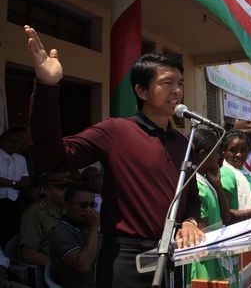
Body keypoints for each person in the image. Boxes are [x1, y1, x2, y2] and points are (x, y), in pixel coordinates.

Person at [23, 25, 204, 286]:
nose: (177, 91)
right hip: (126, 259)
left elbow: (191, 197)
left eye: (180, 84)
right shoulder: (115, 131)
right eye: (167, 83)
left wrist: (189, 222)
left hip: (175, 258)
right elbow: (52, 158)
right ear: (142, 91)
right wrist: (47, 87)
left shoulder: (182, 142)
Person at [187, 129, 235, 286]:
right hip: (203, 258)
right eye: (216, 153)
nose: (219, 157)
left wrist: (217, 184)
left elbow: (226, 217)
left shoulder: (206, 180)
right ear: (202, 154)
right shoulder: (195, 185)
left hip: (215, 253)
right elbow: (202, 229)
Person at [48, 183, 100, 288]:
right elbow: (83, 265)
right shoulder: (60, 232)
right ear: (67, 205)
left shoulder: (85, 226)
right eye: (83, 205)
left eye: (92, 205)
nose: (89, 210)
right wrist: (94, 229)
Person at [19, 172, 72, 267]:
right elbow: (29, 254)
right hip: (55, 267)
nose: (66, 192)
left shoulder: (70, 207)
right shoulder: (34, 213)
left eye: (68, 188)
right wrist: (62, 267)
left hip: (75, 258)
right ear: (46, 190)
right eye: (61, 188)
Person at [0, 129, 30, 248]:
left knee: (12, 232)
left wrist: (7, 182)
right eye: (11, 141)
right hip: (0, 199)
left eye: (17, 141)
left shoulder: (21, 159)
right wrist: (16, 183)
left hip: (14, 200)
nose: (14, 144)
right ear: (2, 141)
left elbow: (26, 183)